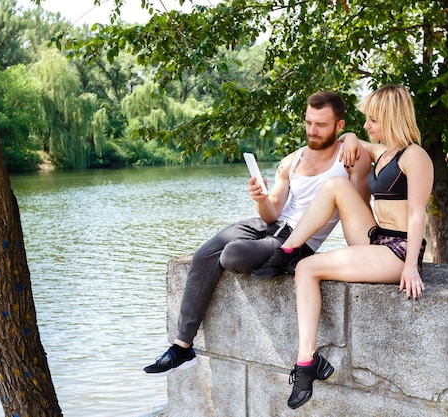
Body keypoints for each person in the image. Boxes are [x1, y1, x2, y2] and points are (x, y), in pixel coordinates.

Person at [142, 91, 372, 376]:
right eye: (308, 122)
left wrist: (352, 138)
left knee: (232, 254)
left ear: (339, 125)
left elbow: (359, 209)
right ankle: (182, 345)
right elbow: (272, 212)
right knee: (204, 254)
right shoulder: (292, 161)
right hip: (270, 226)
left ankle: (287, 260)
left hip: (298, 240)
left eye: (321, 125)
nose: (312, 131)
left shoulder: (350, 158)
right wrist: (261, 199)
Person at [259, 85, 433, 409]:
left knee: (308, 268)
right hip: (376, 237)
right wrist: (351, 136)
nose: (367, 125)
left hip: (397, 250)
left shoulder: (415, 156)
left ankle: (306, 363)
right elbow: (356, 139)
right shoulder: (385, 152)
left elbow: (417, 213)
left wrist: (410, 265)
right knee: (336, 184)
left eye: (373, 120)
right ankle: (287, 250)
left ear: (392, 118)